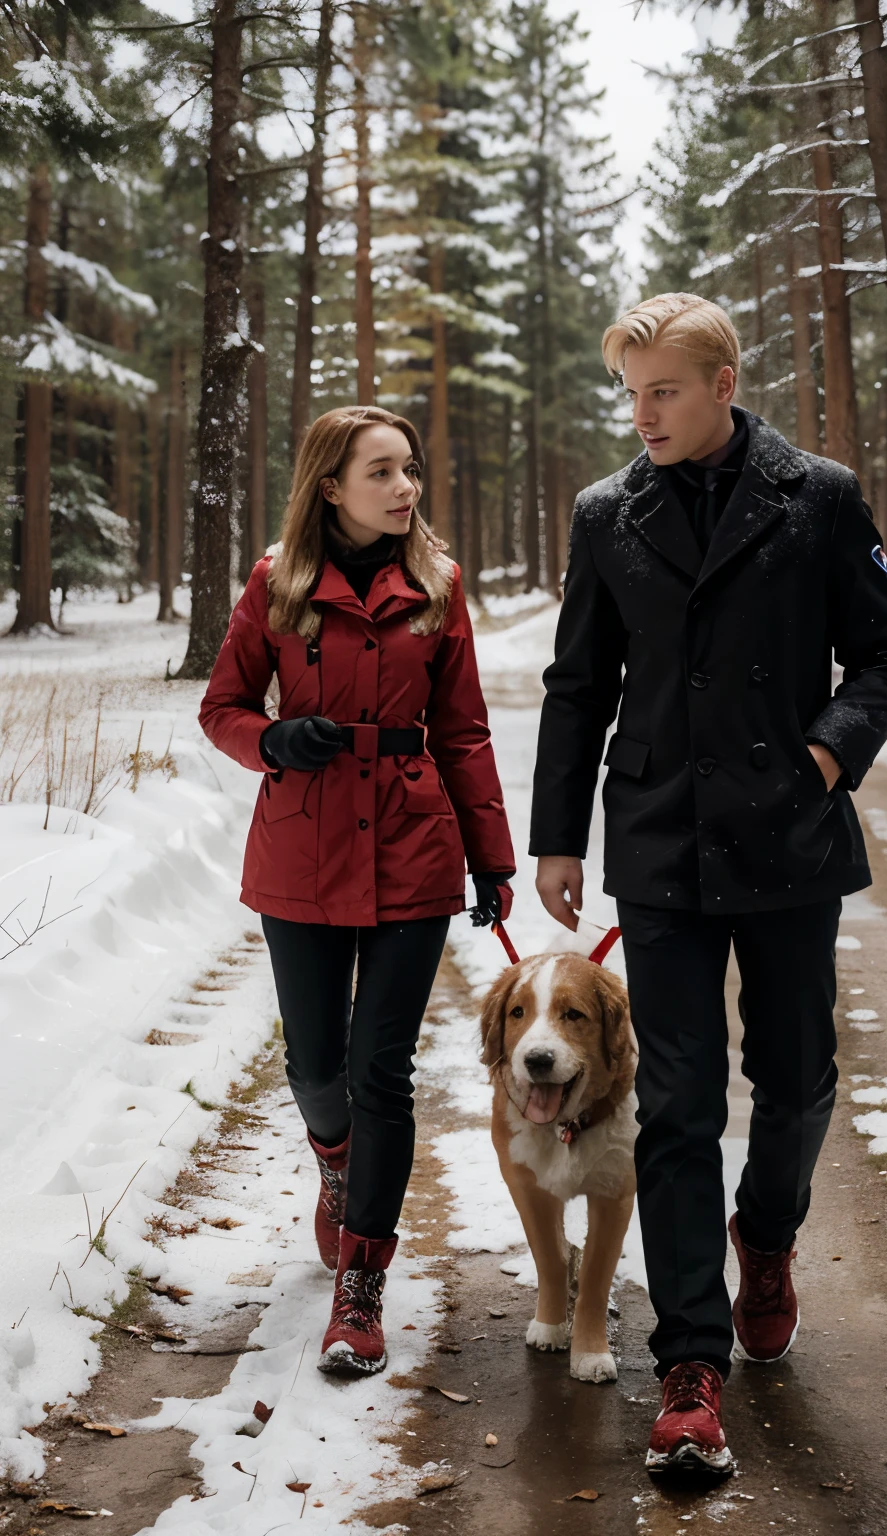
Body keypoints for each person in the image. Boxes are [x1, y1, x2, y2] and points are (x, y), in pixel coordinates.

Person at [529, 293, 887, 1474]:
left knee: (796, 1078)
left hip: (790, 830)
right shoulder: (608, 514)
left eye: (663, 391)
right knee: (678, 1101)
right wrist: (557, 838)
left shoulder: (820, 498)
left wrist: (821, 752)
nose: (641, 414)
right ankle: (689, 1360)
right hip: (659, 837)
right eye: (630, 392)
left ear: (722, 383)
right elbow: (577, 685)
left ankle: (770, 1233)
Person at [200, 405, 514, 1377]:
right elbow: (221, 707)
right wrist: (272, 741)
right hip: (300, 852)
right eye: (382, 472)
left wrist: (491, 858)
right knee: (314, 1071)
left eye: (409, 469)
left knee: (382, 1072)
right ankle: (334, 1160)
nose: (405, 487)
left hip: (414, 850)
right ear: (329, 485)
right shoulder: (277, 583)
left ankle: (361, 1290)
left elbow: (462, 729)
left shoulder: (438, 584)